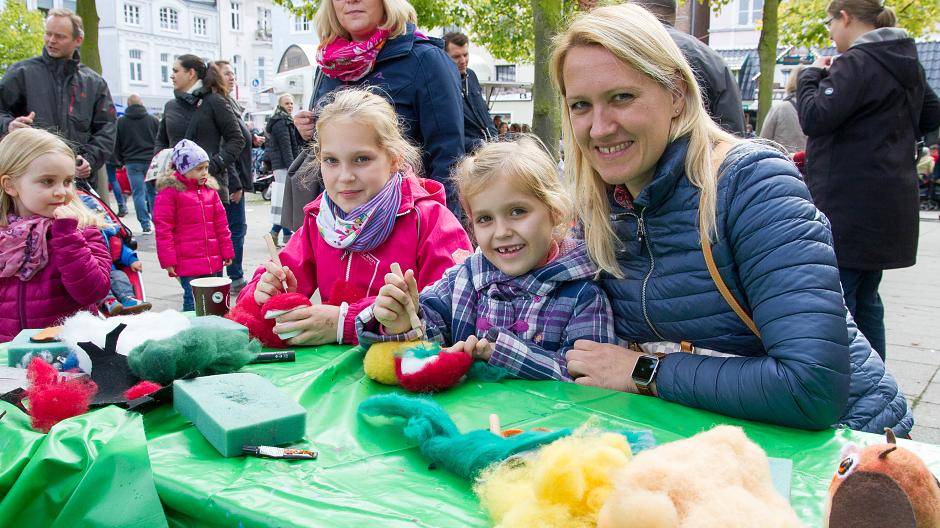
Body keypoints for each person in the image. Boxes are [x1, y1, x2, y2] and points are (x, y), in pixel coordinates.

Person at [553, 4, 912, 435]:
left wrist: (645, 370)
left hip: (846, 452)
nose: (599, 128)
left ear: (676, 96)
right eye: (580, 106)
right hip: (710, 440)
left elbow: (811, 387)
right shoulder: (598, 208)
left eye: (622, 97)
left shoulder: (754, 184)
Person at [358, 136, 616, 380]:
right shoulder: (464, 279)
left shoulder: (583, 296)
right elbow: (429, 334)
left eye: (517, 212)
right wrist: (402, 322)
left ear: (555, 211)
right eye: (485, 219)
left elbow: (586, 379)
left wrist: (502, 353)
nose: (502, 232)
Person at [234, 89, 471, 346]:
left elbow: (454, 310)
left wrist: (347, 322)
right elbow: (264, 293)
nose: (345, 176)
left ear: (394, 159)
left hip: (408, 375)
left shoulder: (430, 221)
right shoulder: (321, 220)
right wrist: (265, 292)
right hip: (335, 379)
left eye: (361, 159)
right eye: (331, 160)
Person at [797, 0, 940, 360]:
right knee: (867, 298)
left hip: (849, 204)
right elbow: (932, 113)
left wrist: (811, 76)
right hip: (889, 203)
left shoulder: (858, 63)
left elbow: (814, 117)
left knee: (836, 302)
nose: (830, 31)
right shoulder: (906, 62)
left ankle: (845, 386)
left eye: (830, 22)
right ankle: (877, 386)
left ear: (845, 17)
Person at [290, 0, 465, 218]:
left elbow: (448, 159)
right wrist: (308, 133)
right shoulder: (329, 66)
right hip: (337, 224)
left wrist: (440, 231)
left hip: (405, 224)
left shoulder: (426, 60)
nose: (351, 0)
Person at [0, 128, 111, 342]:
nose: (62, 191)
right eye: (48, 181)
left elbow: (93, 292)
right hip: (9, 354)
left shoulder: (82, 230)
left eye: (68, 181)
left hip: (67, 351)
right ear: (10, 185)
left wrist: (68, 238)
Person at [0, 9, 117, 196]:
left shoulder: (94, 82)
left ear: (78, 40)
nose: (51, 40)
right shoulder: (21, 72)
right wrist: (9, 125)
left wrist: (89, 160)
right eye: (48, 33)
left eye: (59, 36)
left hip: (77, 184)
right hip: (28, 182)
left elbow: (107, 129)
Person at [630, 0, 746, 136]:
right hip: (706, 152)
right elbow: (733, 132)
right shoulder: (713, 60)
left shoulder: (623, 52)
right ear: (674, 14)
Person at [154, 140, 234, 312]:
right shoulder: (170, 193)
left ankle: (216, 326)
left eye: (206, 167)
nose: (204, 173)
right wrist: (169, 260)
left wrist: (226, 250)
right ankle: (192, 330)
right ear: (183, 169)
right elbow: (163, 229)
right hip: (188, 260)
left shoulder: (210, 191)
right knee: (192, 300)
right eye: (199, 169)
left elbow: (221, 224)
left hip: (213, 258)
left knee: (216, 296)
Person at [154, 55, 246, 205]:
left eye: (176, 71)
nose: (172, 76)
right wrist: (164, 168)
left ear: (191, 73)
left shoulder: (215, 101)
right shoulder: (170, 106)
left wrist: (210, 166)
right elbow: (161, 140)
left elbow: (237, 139)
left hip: (208, 188)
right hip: (175, 188)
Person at [215, 61, 256, 294]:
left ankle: (232, 275)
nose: (232, 77)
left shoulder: (229, 104)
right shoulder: (221, 106)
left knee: (235, 229)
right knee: (234, 229)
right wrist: (234, 182)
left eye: (233, 73)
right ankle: (234, 276)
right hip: (230, 180)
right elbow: (225, 146)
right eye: (227, 74)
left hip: (234, 177)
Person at [444, 32, 498, 153]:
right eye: (456, 57)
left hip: (486, 149)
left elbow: (484, 112)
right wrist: (477, 145)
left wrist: (494, 139)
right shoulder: (442, 83)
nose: (463, 60)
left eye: (465, 54)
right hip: (466, 155)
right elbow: (446, 131)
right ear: (444, 56)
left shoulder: (471, 75)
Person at [115, 93, 159, 234]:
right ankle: (157, 221)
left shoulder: (121, 122)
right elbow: (160, 140)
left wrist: (120, 161)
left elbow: (117, 144)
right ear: (141, 103)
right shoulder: (152, 120)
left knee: (138, 193)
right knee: (153, 192)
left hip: (131, 162)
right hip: (151, 161)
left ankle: (145, 224)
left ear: (128, 105)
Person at [266, 93, 303, 247]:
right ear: (281, 105)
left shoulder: (285, 120)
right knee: (285, 199)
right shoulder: (282, 122)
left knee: (284, 199)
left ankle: (276, 233)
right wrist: (292, 167)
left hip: (282, 165)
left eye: (291, 103)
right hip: (283, 166)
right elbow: (286, 147)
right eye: (287, 103)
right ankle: (286, 235)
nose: (290, 106)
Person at [759, 66, 807, 154]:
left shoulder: (779, 109)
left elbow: (763, 142)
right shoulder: (820, 110)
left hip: (783, 163)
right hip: (811, 164)